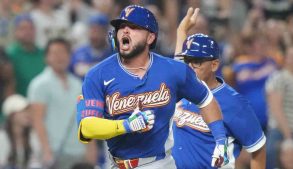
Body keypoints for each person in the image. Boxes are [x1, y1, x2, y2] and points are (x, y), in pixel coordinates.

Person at [77, 5, 227, 169]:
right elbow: (87, 127)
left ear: (150, 38)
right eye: (121, 27)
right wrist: (126, 125)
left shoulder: (172, 70)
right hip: (115, 163)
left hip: (158, 163)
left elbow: (205, 100)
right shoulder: (97, 74)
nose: (125, 31)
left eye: (134, 27)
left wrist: (220, 139)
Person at [172, 8, 266, 169]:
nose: (190, 66)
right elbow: (177, 63)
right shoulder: (181, 86)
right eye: (187, 61)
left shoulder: (234, 103)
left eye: (197, 61)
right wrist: (181, 31)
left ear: (214, 64)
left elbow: (258, 149)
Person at [27, 38, 93, 169]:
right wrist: (46, 151)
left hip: (79, 152)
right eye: (55, 53)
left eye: (64, 52)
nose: (60, 57)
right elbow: (37, 120)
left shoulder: (79, 84)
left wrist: (91, 150)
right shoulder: (39, 84)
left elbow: (87, 118)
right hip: (54, 153)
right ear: (46, 58)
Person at [265, 45, 293, 169]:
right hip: (281, 130)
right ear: (286, 59)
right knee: (270, 154)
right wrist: (289, 136)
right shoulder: (279, 78)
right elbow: (276, 108)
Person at [5, 13, 45, 97]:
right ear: (15, 32)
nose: (28, 32)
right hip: (19, 103)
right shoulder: (9, 55)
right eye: (23, 28)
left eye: (31, 28)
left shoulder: (44, 54)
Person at [0, 94, 41, 169]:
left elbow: (36, 161)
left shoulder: (32, 135)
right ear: (12, 115)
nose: (28, 114)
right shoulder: (2, 137)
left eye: (29, 110)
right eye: (23, 111)